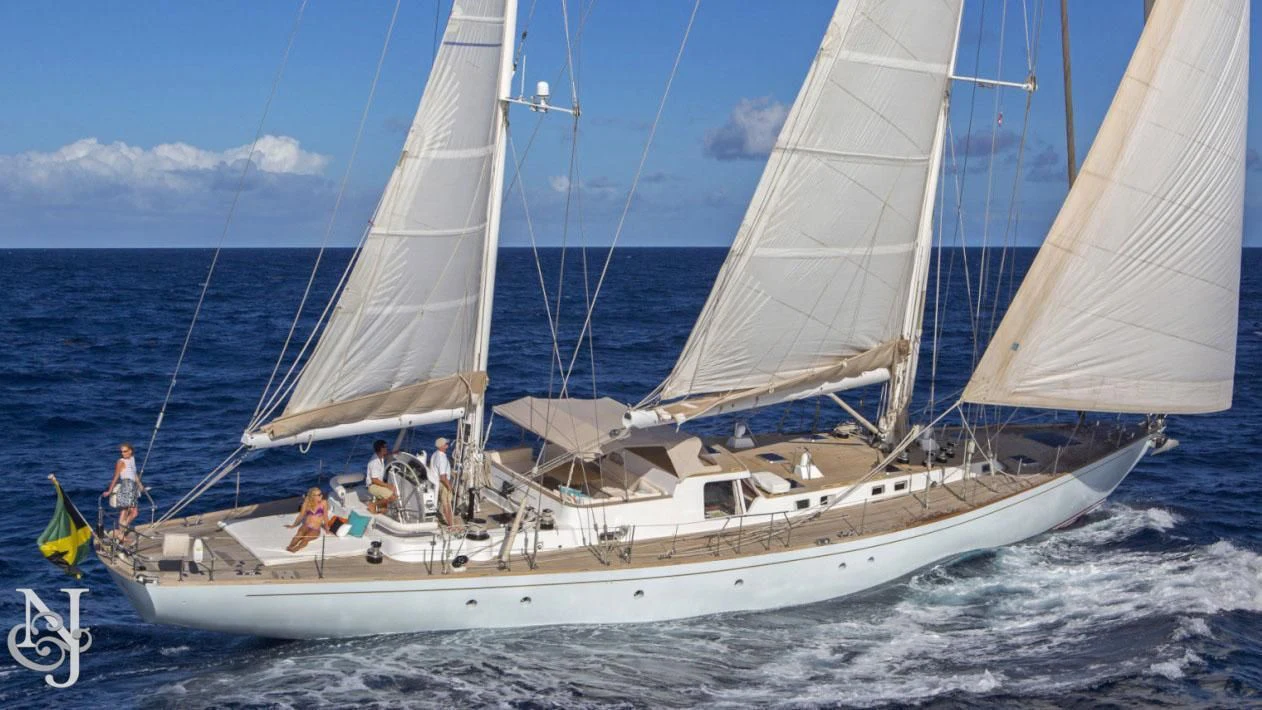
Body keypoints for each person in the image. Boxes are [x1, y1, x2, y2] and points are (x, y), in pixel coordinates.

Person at [102, 442, 141, 542]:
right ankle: (121, 533)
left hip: (132, 486)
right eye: (122, 452)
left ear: (130, 451)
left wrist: (140, 486)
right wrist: (110, 490)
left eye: (125, 451)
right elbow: (115, 477)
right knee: (134, 512)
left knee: (124, 511)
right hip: (127, 486)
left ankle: (121, 534)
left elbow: (134, 474)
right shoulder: (121, 461)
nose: (123, 453)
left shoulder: (132, 459)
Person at [286, 487, 329, 552]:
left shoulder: (324, 503)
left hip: (316, 529)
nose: (322, 495)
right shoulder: (306, 504)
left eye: (321, 494)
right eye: (319, 494)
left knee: (306, 538)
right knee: (299, 535)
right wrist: (293, 525)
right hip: (306, 525)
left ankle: (297, 548)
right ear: (313, 496)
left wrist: (327, 528)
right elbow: (300, 516)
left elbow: (325, 516)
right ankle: (290, 546)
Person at [366, 440, 397, 514]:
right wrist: (388, 485)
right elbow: (374, 480)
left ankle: (382, 511)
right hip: (372, 486)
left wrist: (393, 453)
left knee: (384, 509)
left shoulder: (381, 457)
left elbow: (386, 455)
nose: (386, 448)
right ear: (380, 449)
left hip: (378, 484)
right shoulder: (374, 462)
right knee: (393, 497)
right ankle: (372, 505)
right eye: (385, 447)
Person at [433, 437, 454, 525]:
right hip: (443, 483)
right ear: (442, 446)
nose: (447, 445)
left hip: (437, 482)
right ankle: (451, 525)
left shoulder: (436, 454)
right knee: (447, 505)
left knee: (445, 503)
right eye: (445, 444)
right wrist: (449, 487)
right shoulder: (442, 459)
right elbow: (442, 477)